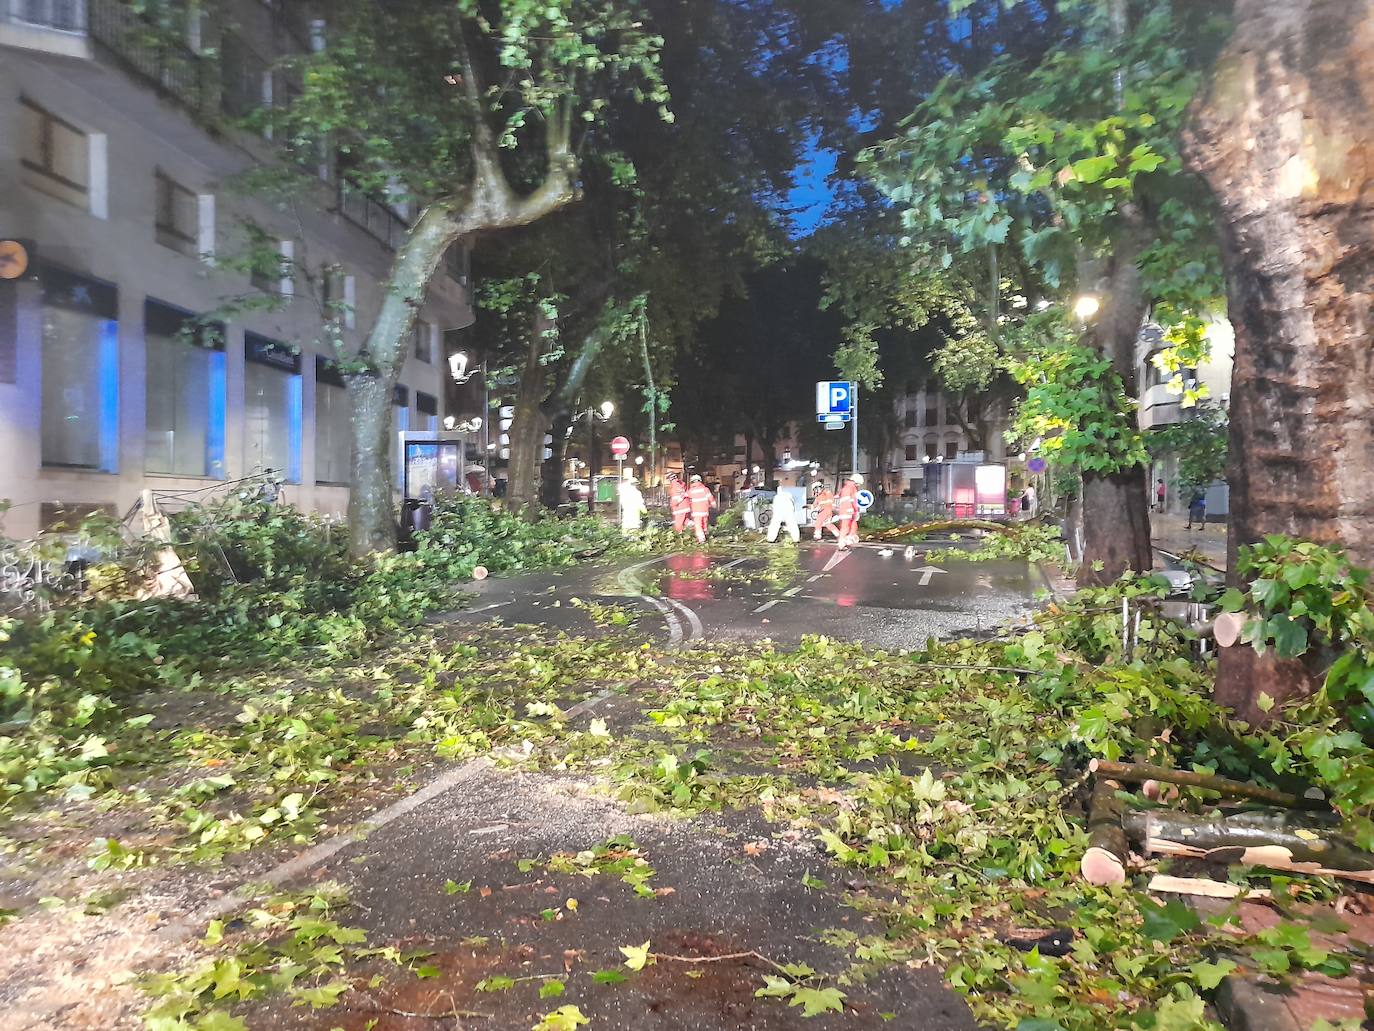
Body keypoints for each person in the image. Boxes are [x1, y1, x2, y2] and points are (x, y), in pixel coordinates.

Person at [834, 474, 863, 550]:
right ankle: (842, 544)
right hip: (849, 511)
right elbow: (854, 501)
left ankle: (847, 541)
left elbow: (838, 497)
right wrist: (856, 511)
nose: (858, 485)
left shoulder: (845, 488)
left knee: (849, 526)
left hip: (843, 511)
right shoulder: (852, 488)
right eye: (858, 483)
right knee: (846, 528)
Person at [687, 474, 716, 544]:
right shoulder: (705, 489)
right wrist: (713, 504)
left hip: (696, 511)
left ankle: (701, 539)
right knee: (704, 522)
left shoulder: (691, 491)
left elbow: (685, 496)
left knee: (698, 525)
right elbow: (711, 498)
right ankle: (705, 534)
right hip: (705, 511)